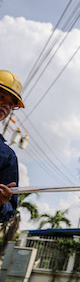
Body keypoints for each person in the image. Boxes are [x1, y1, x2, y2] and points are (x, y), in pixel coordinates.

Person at [0, 70, 25, 222]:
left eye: (11, 104)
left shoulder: (7, 156)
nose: (6, 106)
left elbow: (8, 211)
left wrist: (1, 203)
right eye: (2, 97)